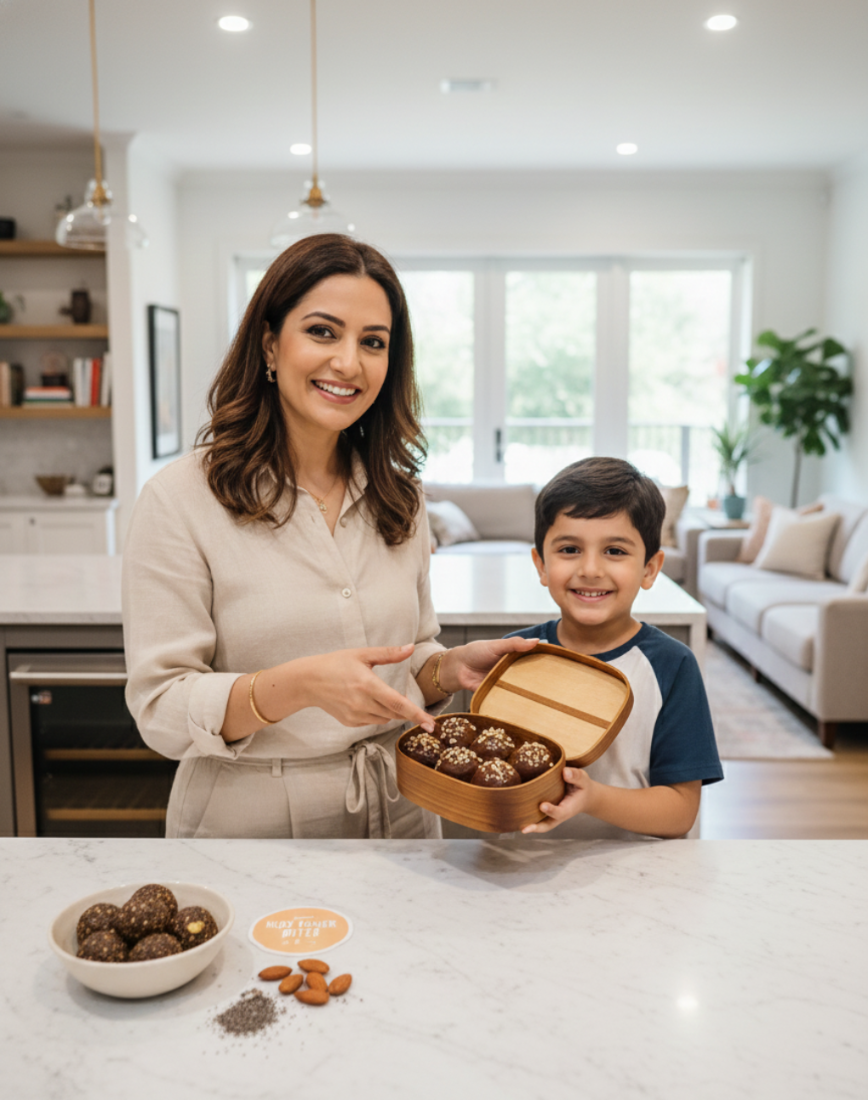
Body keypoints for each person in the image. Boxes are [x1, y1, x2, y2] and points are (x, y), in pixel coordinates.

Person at [122, 233, 536, 840]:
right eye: (322, 331)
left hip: (404, 808)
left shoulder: (403, 498)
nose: (349, 362)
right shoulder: (180, 500)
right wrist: (296, 687)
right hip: (250, 829)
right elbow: (161, 708)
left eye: (373, 342)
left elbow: (407, 654)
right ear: (270, 343)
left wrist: (446, 669)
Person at [507, 456, 723, 839]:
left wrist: (593, 798)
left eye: (615, 551)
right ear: (541, 565)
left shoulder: (672, 667)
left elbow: (681, 812)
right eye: (570, 549)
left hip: (636, 877)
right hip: (521, 867)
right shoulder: (513, 656)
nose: (590, 569)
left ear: (650, 569)